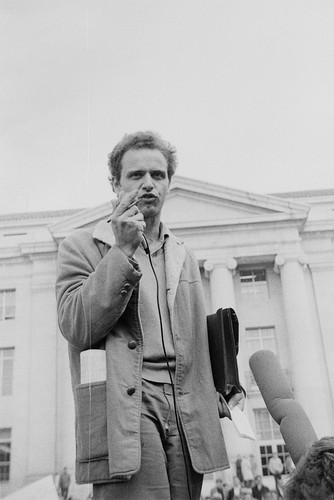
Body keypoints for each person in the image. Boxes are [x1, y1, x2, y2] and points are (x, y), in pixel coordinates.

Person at [56, 131, 244, 500]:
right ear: (115, 183)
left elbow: (194, 337)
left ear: (169, 183)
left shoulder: (182, 254)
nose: (148, 184)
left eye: (158, 175)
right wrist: (122, 248)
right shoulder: (80, 246)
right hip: (128, 397)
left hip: (186, 402)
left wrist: (218, 388)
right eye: (135, 175)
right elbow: (76, 326)